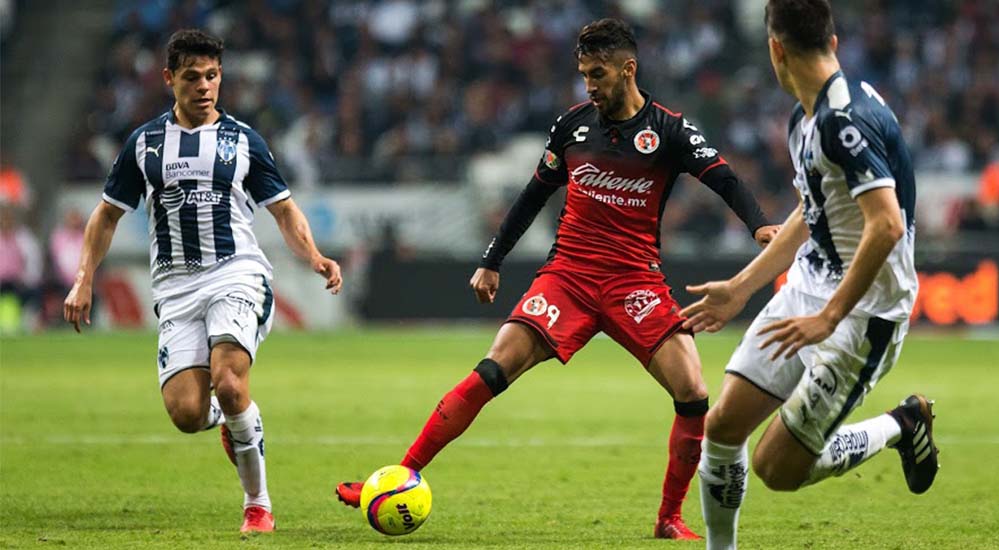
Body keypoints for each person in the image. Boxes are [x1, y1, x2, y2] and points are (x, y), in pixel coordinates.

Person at [336, 18, 780, 540]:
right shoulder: (572, 126)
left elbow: (723, 178)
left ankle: (668, 518)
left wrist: (760, 226)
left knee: (693, 392)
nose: (589, 84)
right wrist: (492, 259)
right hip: (567, 276)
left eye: (597, 73)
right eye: (583, 74)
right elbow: (532, 195)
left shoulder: (670, 129)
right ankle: (397, 476)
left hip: (633, 281)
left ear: (627, 68)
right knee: (493, 367)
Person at [680, 1, 939, 548]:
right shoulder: (807, 116)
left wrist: (829, 316)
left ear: (775, 50)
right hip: (808, 288)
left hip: (862, 313)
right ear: (833, 43)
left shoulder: (843, 121)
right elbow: (814, 209)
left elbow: (886, 225)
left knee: (777, 467)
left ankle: (902, 424)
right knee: (723, 426)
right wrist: (740, 288)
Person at [64, 29, 342, 534]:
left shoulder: (242, 141)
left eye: (212, 76)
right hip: (174, 289)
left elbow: (284, 211)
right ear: (170, 79)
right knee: (186, 413)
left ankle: (257, 504)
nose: (204, 86)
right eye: (192, 77)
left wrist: (315, 256)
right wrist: (84, 278)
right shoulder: (145, 144)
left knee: (233, 384)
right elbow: (105, 217)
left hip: (236, 273)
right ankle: (229, 421)